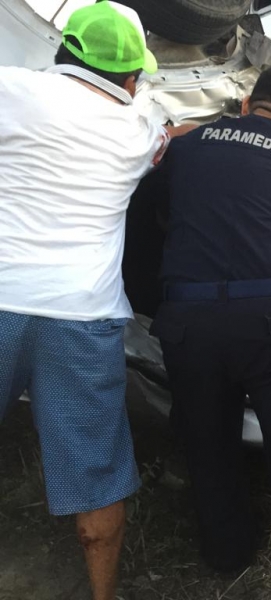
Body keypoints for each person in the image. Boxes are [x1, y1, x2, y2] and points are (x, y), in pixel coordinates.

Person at [0, 3, 188, 599]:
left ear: (64, 50)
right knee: (96, 473)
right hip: (81, 318)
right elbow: (174, 138)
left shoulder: (12, 88)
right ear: (132, 78)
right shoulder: (139, 128)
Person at [149, 65, 271, 599]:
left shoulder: (188, 148)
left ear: (245, 104)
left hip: (188, 321)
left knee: (207, 442)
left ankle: (226, 551)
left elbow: (158, 212)